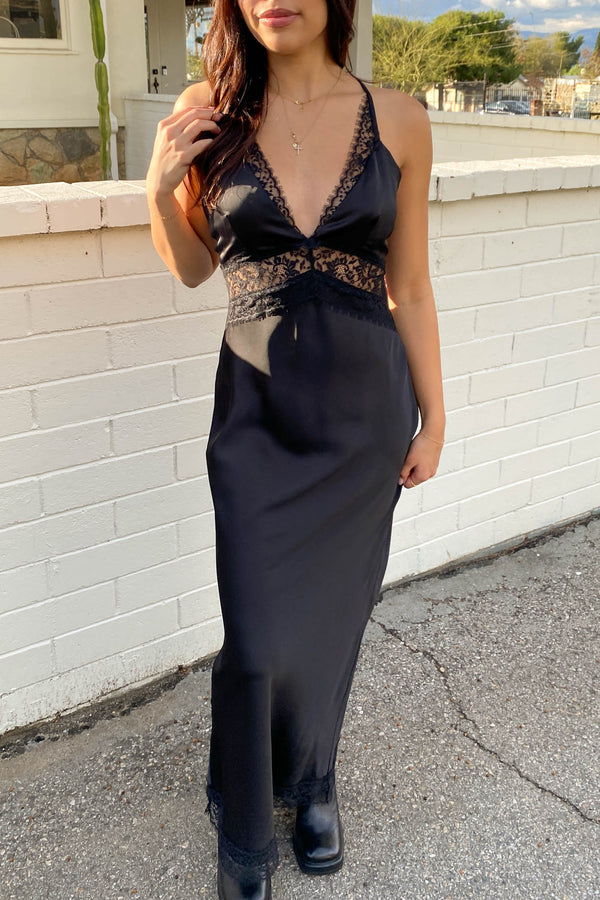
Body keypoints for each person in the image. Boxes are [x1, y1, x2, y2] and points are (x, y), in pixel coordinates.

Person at [146, 0, 445, 896]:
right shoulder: (210, 108)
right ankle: (244, 822)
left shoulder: (401, 116)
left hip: (364, 418)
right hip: (257, 417)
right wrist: (158, 188)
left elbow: (413, 284)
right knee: (256, 636)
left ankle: (313, 782)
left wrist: (435, 415)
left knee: (329, 625)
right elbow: (195, 267)